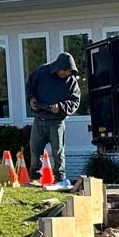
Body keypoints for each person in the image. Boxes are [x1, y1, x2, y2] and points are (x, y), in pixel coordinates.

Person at [26, 51, 81, 190]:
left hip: (56, 122)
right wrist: (31, 99)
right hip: (39, 118)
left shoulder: (71, 81)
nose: (65, 74)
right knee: (35, 149)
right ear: (57, 67)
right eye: (63, 71)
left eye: (68, 72)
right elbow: (30, 86)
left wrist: (61, 107)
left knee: (58, 152)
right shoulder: (42, 71)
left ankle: (60, 179)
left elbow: (75, 102)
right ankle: (34, 178)